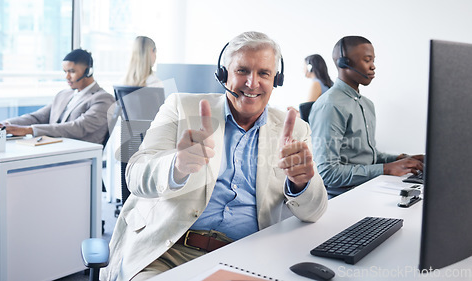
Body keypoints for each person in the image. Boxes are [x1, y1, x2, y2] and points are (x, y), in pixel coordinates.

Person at [102, 31, 328, 281]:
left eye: (263, 73)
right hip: (168, 252)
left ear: (276, 79)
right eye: (242, 70)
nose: (252, 83)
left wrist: (301, 183)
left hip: (248, 258)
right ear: (224, 74)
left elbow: (314, 212)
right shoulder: (180, 107)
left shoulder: (295, 129)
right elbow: (135, 174)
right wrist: (176, 167)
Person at [309, 36, 424, 197]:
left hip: (369, 189)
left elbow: (367, 156)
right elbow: (327, 172)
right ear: (345, 63)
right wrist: (386, 168)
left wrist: (403, 159)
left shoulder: (366, 104)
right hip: (343, 198)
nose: (373, 66)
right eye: (367, 60)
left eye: (373, 60)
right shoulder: (330, 105)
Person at [0, 49, 115, 145]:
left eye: (72, 71)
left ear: (88, 71)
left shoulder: (103, 99)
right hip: (53, 150)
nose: (67, 77)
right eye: (65, 72)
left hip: (79, 158)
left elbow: (78, 127)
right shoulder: (64, 94)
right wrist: (6, 124)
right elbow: (39, 117)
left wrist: (28, 130)